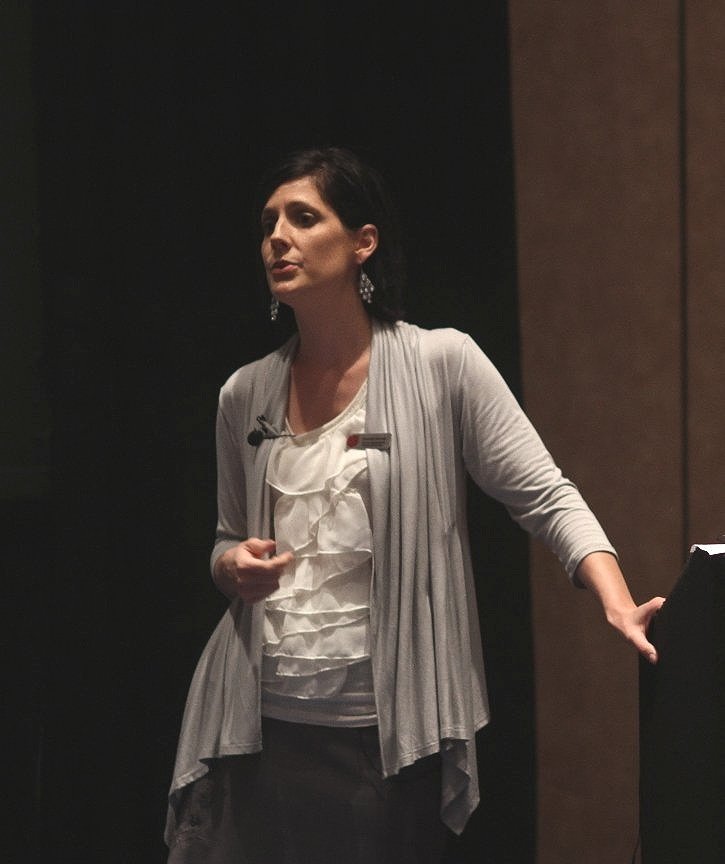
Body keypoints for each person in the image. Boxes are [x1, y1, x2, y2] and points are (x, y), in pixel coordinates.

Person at [164, 146, 665, 863]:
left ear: (362, 242)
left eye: (303, 218)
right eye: (269, 222)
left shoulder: (440, 364)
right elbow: (222, 543)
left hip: (378, 735)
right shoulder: (243, 393)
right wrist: (232, 566)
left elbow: (547, 496)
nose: (277, 236)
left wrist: (614, 600)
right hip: (256, 729)